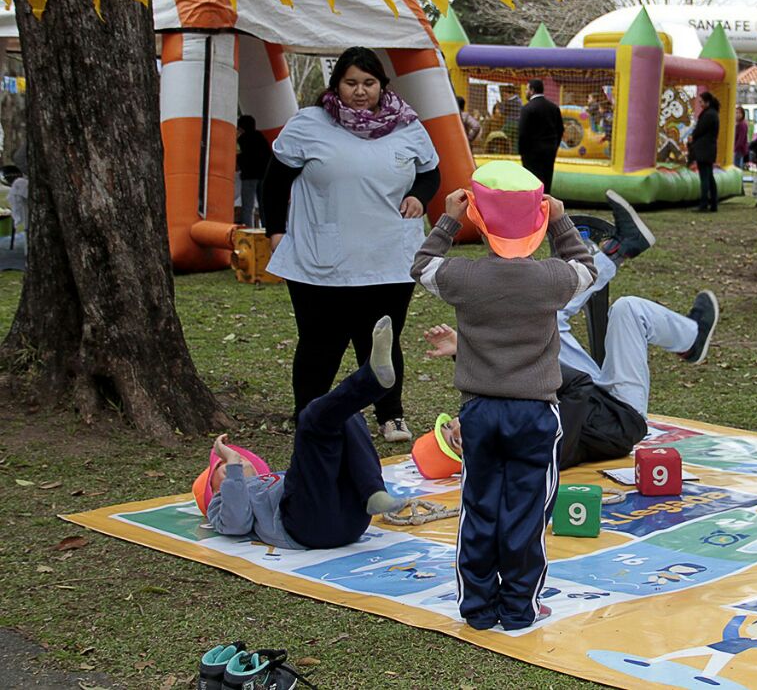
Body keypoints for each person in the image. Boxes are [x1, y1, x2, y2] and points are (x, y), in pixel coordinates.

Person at [410, 161, 595, 632]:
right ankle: (518, 608)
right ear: (537, 221)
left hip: (479, 412)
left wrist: (450, 219)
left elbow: (423, 265)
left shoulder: (464, 279)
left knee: (480, 507)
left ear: (479, 218)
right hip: (535, 414)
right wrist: (561, 220)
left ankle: (477, 606)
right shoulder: (552, 279)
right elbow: (586, 268)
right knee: (526, 515)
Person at [421, 196, 718, 469]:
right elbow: (562, 387)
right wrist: (537, 355)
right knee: (629, 309)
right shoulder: (524, 450)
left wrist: (465, 350)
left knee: (555, 314)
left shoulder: (496, 420)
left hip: (590, 394)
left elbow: (505, 379)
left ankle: (620, 249)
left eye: (448, 425)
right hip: (620, 414)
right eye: (456, 440)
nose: (456, 426)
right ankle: (688, 336)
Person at [261, 46, 440, 442]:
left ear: (382, 85)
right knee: (320, 343)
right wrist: (274, 230)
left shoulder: (408, 125)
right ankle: (308, 412)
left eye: (369, 83)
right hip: (322, 256)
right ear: (337, 84)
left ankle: (390, 415)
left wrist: (419, 197)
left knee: (381, 339)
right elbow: (273, 183)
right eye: (351, 83)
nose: (361, 91)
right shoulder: (309, 124)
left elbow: (430, 173)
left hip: (389, 256)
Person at [203, 317, 407, 550]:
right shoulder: (219, 503)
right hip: (307, 527)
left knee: (344, 415)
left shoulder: (271, 480)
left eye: (234, 459)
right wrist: (232, 468)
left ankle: (373, 492)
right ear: (214, 488)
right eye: (221, 466)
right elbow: (237, 523)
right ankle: (372, 380)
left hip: (352, 519)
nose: (235, 460)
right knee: (312, 418)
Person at [517, 78, 564, 192]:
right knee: (547, 179)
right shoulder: (554, 107)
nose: (526, 92)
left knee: (532, 182)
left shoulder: (527, 109)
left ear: (532, 90)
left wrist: (521, 151)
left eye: (527, 89)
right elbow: (560, 129)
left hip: (531, 152)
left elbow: (523, 132)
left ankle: (534, 205)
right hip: (549, 150)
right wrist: (554, 145)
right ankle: (546, 203)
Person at [235, 115, 270, 228]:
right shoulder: (260, 137)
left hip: (249, 176)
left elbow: (241, 157)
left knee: (248, 207)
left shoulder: (242, 139)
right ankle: (267, 230)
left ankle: (248, 230)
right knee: (264, 206)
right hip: (264, 175)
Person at [689, 91, 721, 212]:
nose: (700, 104)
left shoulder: (708, 115)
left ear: (707, 102)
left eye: (701, 102)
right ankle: (713, 203)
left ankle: (703, 203)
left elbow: (699, 130)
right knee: (710, 176)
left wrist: (693, 137)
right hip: (709, 149)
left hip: (704, 149)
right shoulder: (713, 114)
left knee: (705, 177)